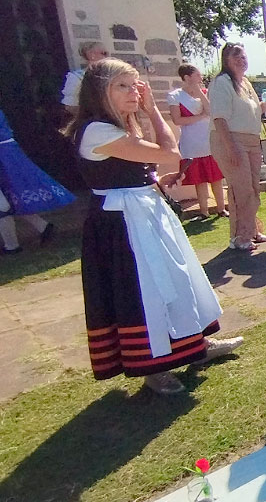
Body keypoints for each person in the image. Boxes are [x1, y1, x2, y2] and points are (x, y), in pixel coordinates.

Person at [63, 58, 241, 395]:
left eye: (135, 86)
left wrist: (155, 179)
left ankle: (195, 346)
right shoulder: (97, 130)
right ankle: (152, 364)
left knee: (176, 278)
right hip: (123, 224)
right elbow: (170, 151)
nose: (133, 93)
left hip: (143, 212)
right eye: (123, 86)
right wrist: (153, 111)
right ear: (100, 91)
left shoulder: (118, 128)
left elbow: (139, 167)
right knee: (144, 290)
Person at [208, 43, 266, 252]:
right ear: (225, 60)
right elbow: (219, 119)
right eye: (235, 56)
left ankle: (251, 230)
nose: (240, 60)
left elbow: (251, 111)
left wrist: (264, 107)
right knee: (241, 189)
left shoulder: (244, 83)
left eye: (243, 56)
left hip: (252, 140)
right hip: (230, 140)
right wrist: (231, 148)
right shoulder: (222, 83)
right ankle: (239, 236)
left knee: (253, 188)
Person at [0, 108, 73, 254]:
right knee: (10, 200)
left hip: (5, 154)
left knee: (5, 203)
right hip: (7, 153)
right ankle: (42, 228)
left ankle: (12, 246)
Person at [167, 64, 227, 218]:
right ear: (187, 77)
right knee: (200, 179)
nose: (201, 78)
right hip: (191, 143)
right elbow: (177, 120)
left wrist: (199, 93)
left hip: (208, 140)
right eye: (197, 75)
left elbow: (211, 111)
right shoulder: (175, 96)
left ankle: (221, 209)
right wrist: (200, 117)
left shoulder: (204, 93)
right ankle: (204, 211)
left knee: (216, 177)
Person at [61, 42, 108, 116]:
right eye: (104, 53)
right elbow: (70, 106)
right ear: (91, 55)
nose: (108, 57)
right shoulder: (77, 77)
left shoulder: (112, 76)